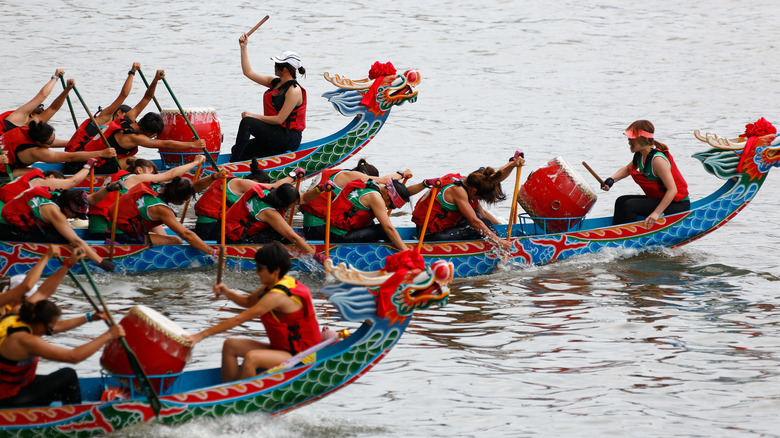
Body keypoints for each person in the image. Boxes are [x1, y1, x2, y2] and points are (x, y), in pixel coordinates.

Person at [184, 242, 322, 382]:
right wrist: (226, 292)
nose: (257, 271)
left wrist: (199, 336)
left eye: (260, 268)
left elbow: (240, 319)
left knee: (252, 358)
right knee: (230, 345)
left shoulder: (278, 296)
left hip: (301, 355)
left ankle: (239, 398)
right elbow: (248, 301)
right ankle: (227, 389)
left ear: (275, 270)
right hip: (283, 348)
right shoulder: (276, 284)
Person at [76, 70, 206, 173]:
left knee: (136, 162)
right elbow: (167, 143)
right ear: (149, 132)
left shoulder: (127, 119)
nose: (154, 137)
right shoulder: (135, 138)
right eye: (154, 135)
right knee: (137, 164)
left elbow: (147, 97)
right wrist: (193, 145)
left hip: (85, 159)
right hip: (88, 167)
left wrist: (155, 79)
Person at [0, 299, 122, 408]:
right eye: (49, 329)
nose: (50, 332)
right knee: (68, 375)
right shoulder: (26, 340)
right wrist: (108, 335)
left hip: (13, 387)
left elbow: (57, 326)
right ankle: (74, 421)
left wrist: (89, 317)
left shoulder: (15, 319)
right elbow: (74, 357)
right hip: (8, 399)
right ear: (39, 324)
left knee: (57, 380)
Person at [411, 155, 524, 251]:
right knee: (481, 223)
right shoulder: (458, 191)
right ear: (474, 191)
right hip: (430, 235)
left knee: (482, 218)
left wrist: (512, 164)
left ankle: (499, 245)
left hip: (441, 228)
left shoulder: (470, 182)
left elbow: (493, 179)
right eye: (479, 197)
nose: (477, 200)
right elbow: (475, 222)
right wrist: (499, 241)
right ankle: (501, 251)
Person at [87, 155, 205, 239]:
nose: (155, 177)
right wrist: (195, 162)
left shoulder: (121, 178)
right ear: (139, 170)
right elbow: (169, 175)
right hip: (108, 230)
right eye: (153, 173)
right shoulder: (133, 178)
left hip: (96, 227)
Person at [229, 33, 307, 161]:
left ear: (286, 69)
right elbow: (248, 72)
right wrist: (243, 47)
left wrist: (253, 116)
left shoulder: (294, 90)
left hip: (288, 139)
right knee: (238, 149)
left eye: (277, 64)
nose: (274, 66)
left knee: (247, 122)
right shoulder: (275, 82)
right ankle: (245, 164)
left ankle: (232, 165)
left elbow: (279, 120)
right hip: (275, 133)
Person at [601, 120, 690, 227]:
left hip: (677, 204)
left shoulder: (657, 160)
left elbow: (672, 190)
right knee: (621, 201)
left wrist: (656, 213)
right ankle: (616, 232)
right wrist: (611, 180)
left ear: (645, 139)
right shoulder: (640, 155)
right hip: (661, 199)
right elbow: (627, 169)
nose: (629, 141)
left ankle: (631, 237)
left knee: (630, 205)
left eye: (632, 138)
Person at [0, 188, 114, 271]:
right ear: (65, 208)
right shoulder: (54, 212)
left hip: (14, 222)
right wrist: (101, 262)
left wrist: (108, 188)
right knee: (62, 239)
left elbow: (92, 199)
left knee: (63, 234)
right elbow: (77, 241)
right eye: (74, 214)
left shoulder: (63, 196)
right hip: (6, 229)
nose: (74, 217)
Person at [300, 160, 412, 240]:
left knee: (367, 217)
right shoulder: (353, 177)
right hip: (318, 229)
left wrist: (402, 175)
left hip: (313, 225)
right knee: (374, 223)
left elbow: (387, 184)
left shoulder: (342, 174)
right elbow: (384, 180)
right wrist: (401, 174)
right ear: (364, 176)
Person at [110, 174, 222, 254]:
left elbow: (191, 188)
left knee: (163, 234)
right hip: (120, 235)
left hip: (114, 224)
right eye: (184, 201)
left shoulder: (158, 186)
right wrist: (212, 251)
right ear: (177, 200)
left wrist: (214, 177)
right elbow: (186, 234)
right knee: (176, 240)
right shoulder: (162, 209)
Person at [62, 63, 142, 173]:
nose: (127, 120)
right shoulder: (105, 117)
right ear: (118, 112)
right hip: (76, 163)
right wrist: (132, 73)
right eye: (125, 116)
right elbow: (123, 95)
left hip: (90, 164)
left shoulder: (117, 131)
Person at [223, 181, 326, 263]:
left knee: (284, 232)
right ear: (285, 203)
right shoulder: (269, 212)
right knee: (282, 234)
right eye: (292, 204)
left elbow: (303, 198)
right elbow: (294, 238)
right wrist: (317, 256)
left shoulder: (270, 193)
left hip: (230, 229)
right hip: (234, 239)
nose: (294, 206)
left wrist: (320, 189)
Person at [193, 158, 284, 241]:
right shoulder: (241, 184)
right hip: (210, 228)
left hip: (206, 227)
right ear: (255, 182)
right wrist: (293, 176)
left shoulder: (240, 187)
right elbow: (275, 186)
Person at [0, 116, 117, 178]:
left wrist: (66, 90)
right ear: (38, 143)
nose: (52, 143)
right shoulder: (36, 152)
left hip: (6, 157)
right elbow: (69, 157)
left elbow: (52, 108)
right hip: (4, 170)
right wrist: (101, 153)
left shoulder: (31, 129)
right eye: (49, 143)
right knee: (37, 172)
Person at [1, 69, 69, 134]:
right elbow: (42, 96)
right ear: (32, 114)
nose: (40, 121)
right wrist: (55, 77)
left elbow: (53, 109)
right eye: (40, 117)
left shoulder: (32, 131)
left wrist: (68, 89)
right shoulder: (19, 116)